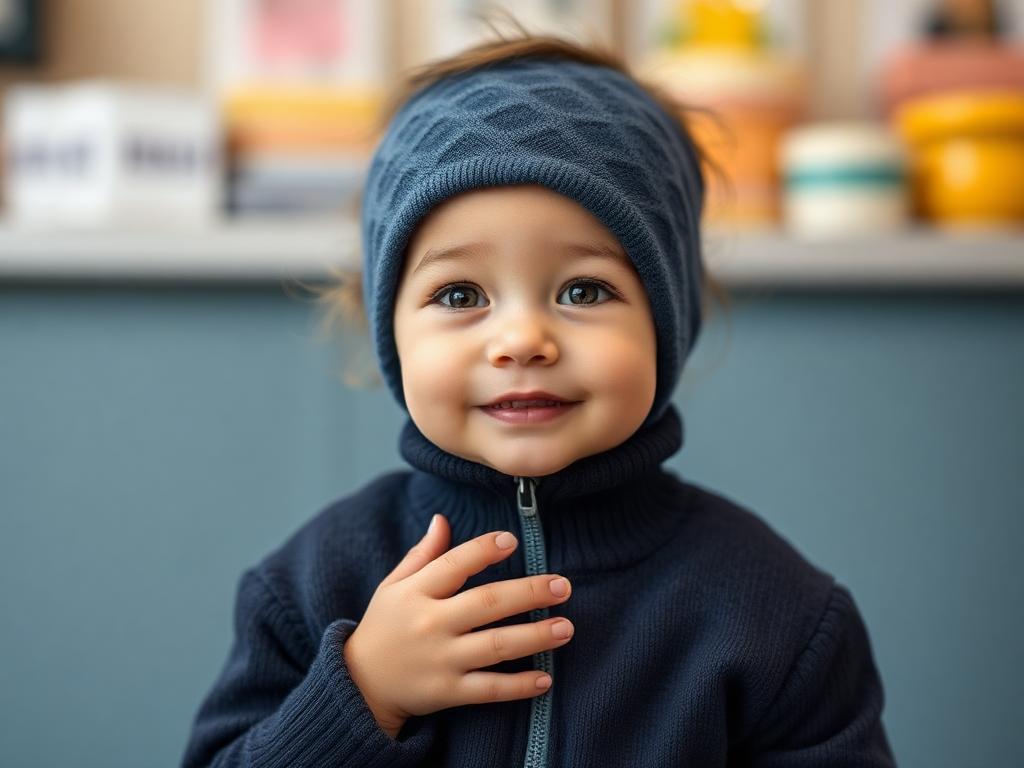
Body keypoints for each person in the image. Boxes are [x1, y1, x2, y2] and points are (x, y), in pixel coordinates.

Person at [181, 26, 897, 768]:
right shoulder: (311, 586)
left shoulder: (778, 613)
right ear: (388, 326)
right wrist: (363, 692)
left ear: (667, 317)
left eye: (583, 289)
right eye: (460, 293)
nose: (521, 338)